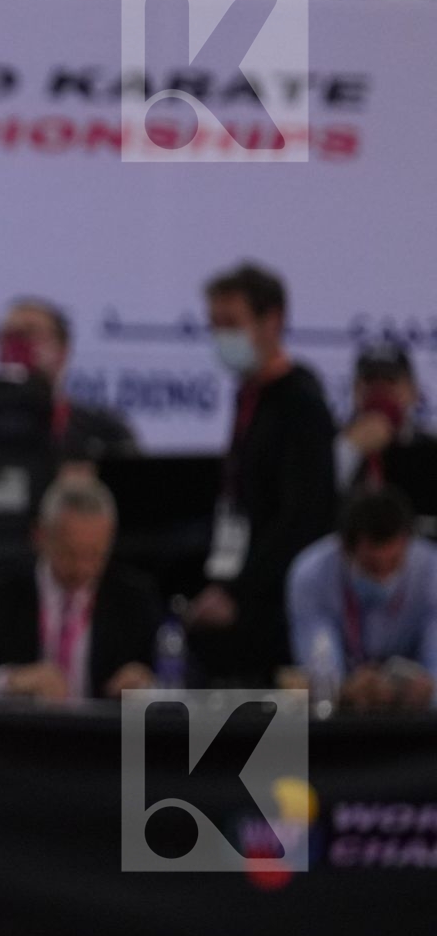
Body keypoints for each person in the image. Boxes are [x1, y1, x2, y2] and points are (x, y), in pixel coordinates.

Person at [185, 262, 336, 684]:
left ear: (272, 321)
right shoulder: (250, 397)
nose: (221, 336)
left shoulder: (300, 403)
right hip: (248, 580)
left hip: (279, 602)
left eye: (232, 323)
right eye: (215, 324)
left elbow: (302, 517)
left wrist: (240, 593)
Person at [0, 477, 163, 701]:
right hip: (19, 733)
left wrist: (149, 682)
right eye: (70, 554)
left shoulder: (135, 597)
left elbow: (187, 672)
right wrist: (10, 680)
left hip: (108, 736)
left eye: (95, 555)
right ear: (41, 537)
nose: (82, 569)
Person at [288, 487, 437, 711]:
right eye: (372, 566)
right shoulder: (311, 573)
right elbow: (318, 654)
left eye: (394, 562)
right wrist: (343, 688)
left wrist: (428, 687)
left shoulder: (431, 571)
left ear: (407, 544)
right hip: (346, 711)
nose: (384, 575)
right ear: (346, 550)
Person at [0, 297, 137, 466]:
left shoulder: (104, 432)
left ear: (62, 351)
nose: (16, 345)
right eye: (8, 336)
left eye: (29, 333)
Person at [338, 340, 437, 516]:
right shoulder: (331, 446)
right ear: (354, 390)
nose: (380, 390)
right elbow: (313, 498)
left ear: (413, 391)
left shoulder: (429, 450)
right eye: (370, 380)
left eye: (390, 380)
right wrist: (348, 449)